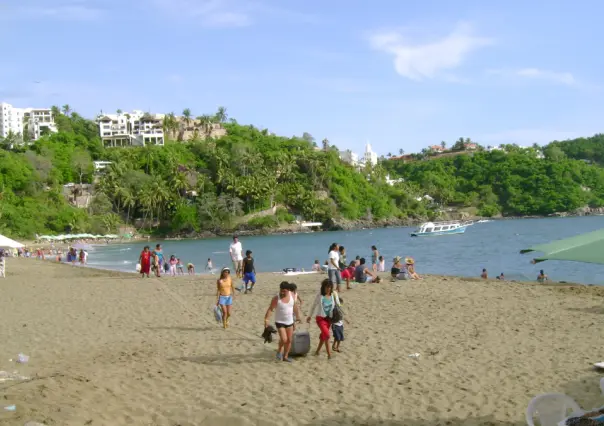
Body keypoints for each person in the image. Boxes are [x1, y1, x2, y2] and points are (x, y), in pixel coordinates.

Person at [264, 282, 301, 363]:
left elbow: (294, 306)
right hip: (280, 322)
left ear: (288, 290)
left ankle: (285, 356)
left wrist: (298, 316)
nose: (282, 292)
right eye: (281, 290)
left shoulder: (292, 295)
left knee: (289, 340)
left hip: (290, 321)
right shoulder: (276, 298)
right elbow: (270, 309)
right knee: (284, 339)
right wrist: (266, 320)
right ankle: (279, 350)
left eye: (284, 291)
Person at [307, 279, 341, 359]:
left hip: (329, 319)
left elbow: (338, 305)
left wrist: (340, 316)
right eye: (326, 287)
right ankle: (329, 355)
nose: (328, 289)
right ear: (323, 287)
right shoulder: (320, 295)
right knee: (327, 335)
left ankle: (317, 351)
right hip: (320, 319)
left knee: (324, 336)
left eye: (330, 287)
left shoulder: (334, 294)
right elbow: (314, 305)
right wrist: (309, 316)